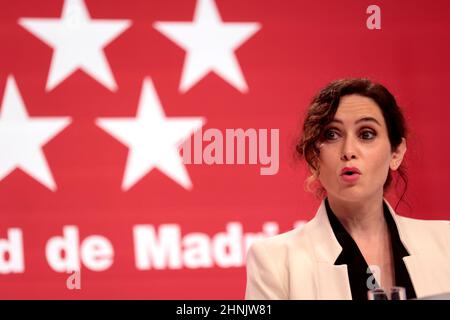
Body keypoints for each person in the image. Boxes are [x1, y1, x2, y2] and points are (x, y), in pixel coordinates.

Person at [245, 78, 450, 300]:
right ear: (314, 157)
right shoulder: (276, 260)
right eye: (332, 134)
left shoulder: (445, 242)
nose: (348, 150)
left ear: (396, 153)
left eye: (366, 134)